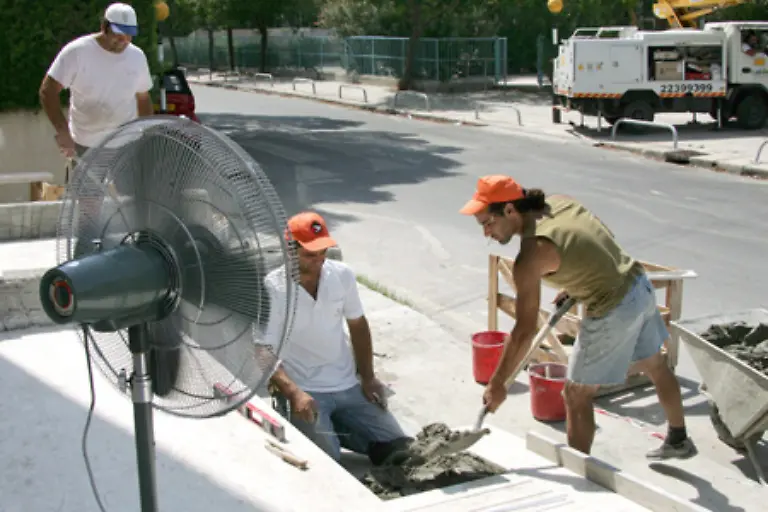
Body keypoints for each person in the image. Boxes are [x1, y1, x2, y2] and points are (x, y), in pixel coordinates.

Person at [459, 175, 697, 460]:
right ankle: (679, 438)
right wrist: (577, 279)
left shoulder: (531, 255)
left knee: (575, 394)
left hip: (613, 307)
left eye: (488, 223)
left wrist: (498, 383)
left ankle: (579, 476)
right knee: (656, 365)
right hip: (637, 285)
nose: (486, 233)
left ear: (510, 210)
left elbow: (524, 330)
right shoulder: (560, 203)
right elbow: (599, 235)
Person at [262, 211, 412, 465]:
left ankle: (337, 427)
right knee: (329, 461)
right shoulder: (273, 287)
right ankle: (325, 429)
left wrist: (368, 377)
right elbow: (264, 351)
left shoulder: (342, 275)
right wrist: (293, 392)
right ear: (290, 250)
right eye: (310, 254)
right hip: (306, 389)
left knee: (399, 444)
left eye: (323, 252)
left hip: (347, 384)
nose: (319, 260)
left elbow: (358, 325)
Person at [39, 2, 154, 159]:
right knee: (85, 177)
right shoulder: (77, 52)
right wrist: (63, 131)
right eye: (118, 34)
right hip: (85, 145)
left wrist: (145, 135)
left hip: (126, 145)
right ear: (104, 27)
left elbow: (143, 97)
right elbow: (48, 91)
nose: (123, 40)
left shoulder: (137, 57)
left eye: (129, 35)